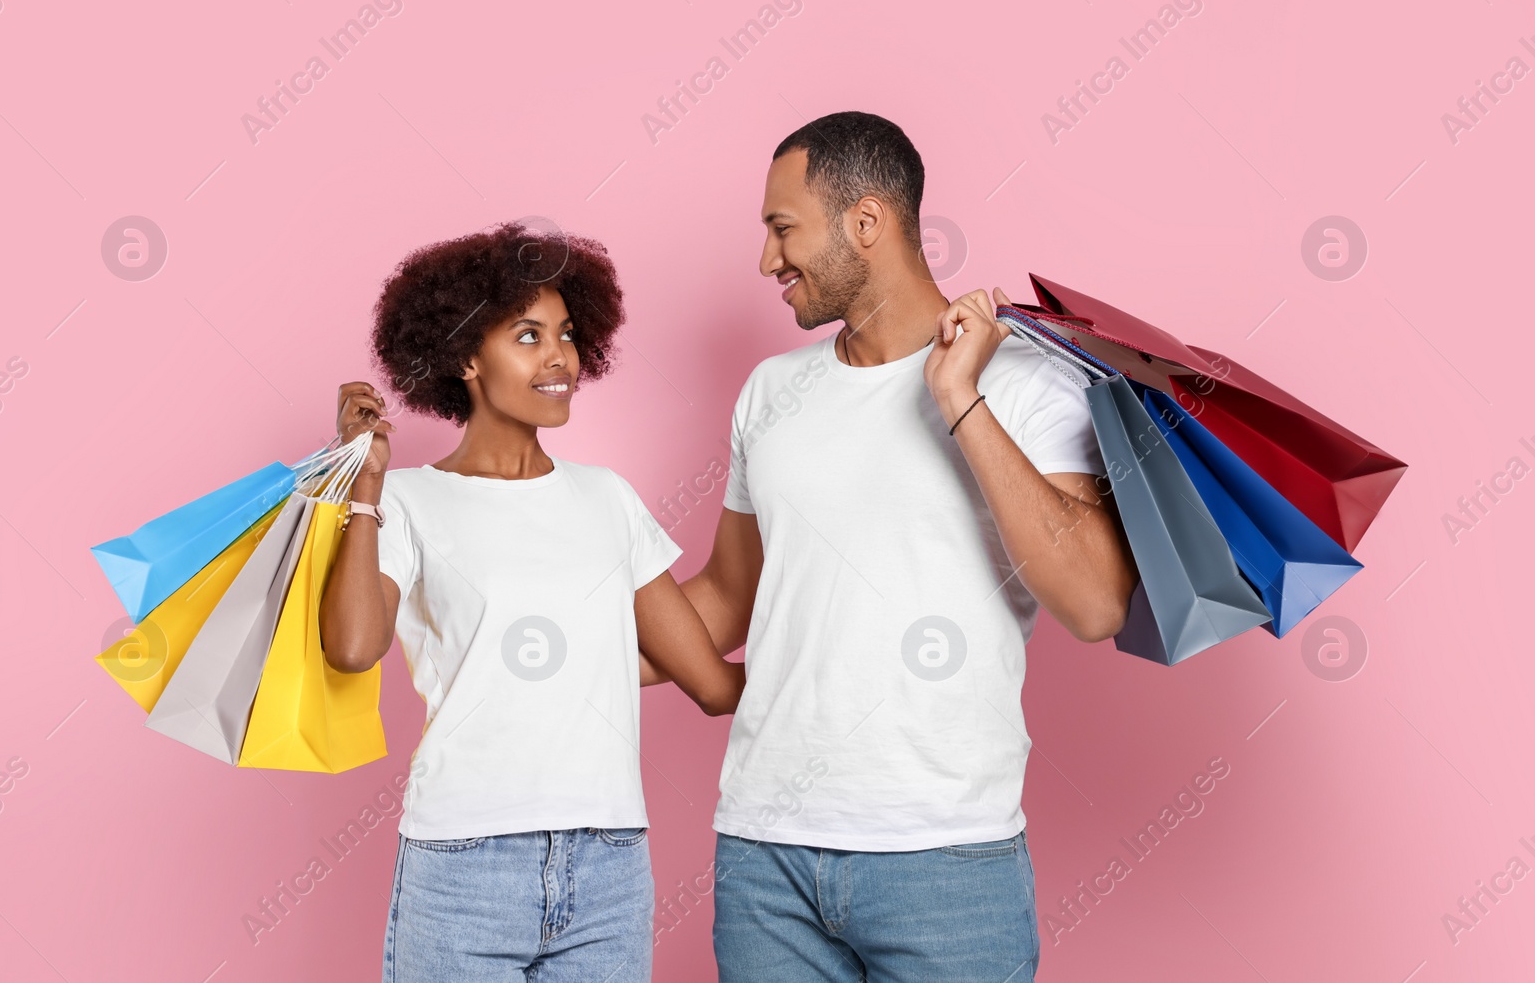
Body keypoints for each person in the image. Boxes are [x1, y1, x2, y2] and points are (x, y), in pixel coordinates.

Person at [677, 111, 1140, 981]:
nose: (767, 261)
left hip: (946, 861)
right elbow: (720, 601)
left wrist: (959, 397)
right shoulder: (770, 393)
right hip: (764, 858)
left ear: (866, 223)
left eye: (782, 230)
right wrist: (546, 627)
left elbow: (1094, 601)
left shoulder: (1033, 380)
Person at [318, 222, 745, 983]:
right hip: (464, 864)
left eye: (567, 334)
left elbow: (712, 684)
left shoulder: (607, 499)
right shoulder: (410, 501)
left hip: (609, 864)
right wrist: (366, 491)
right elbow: (353, 646)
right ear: (464, 357)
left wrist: (837, 659)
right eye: (527, 335)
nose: (560, 358)